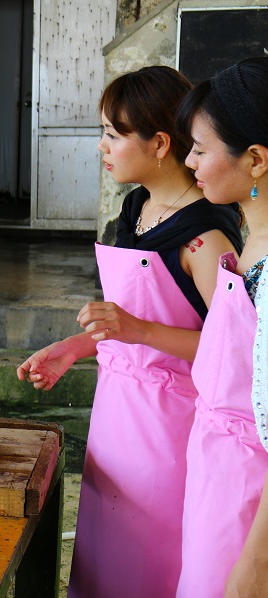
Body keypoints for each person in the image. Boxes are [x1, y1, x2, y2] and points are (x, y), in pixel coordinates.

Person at [17, 66, 243, 597]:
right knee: (103, 555)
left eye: (113, 134)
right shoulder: (137, 207)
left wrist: (138, 330)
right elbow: (125, 322)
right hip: (116, 413)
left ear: (160, 144)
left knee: (146, 561)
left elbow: (232, 353)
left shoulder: (205, 238)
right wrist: (74, 347)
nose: (102, 146)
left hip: (170, 427)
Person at [170, 56, 268, 598]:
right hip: (219, 473)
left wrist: (253, 571)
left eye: (200, 149)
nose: (189, 162)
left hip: (249, 499)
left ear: (255, 159)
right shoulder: (251, 237)